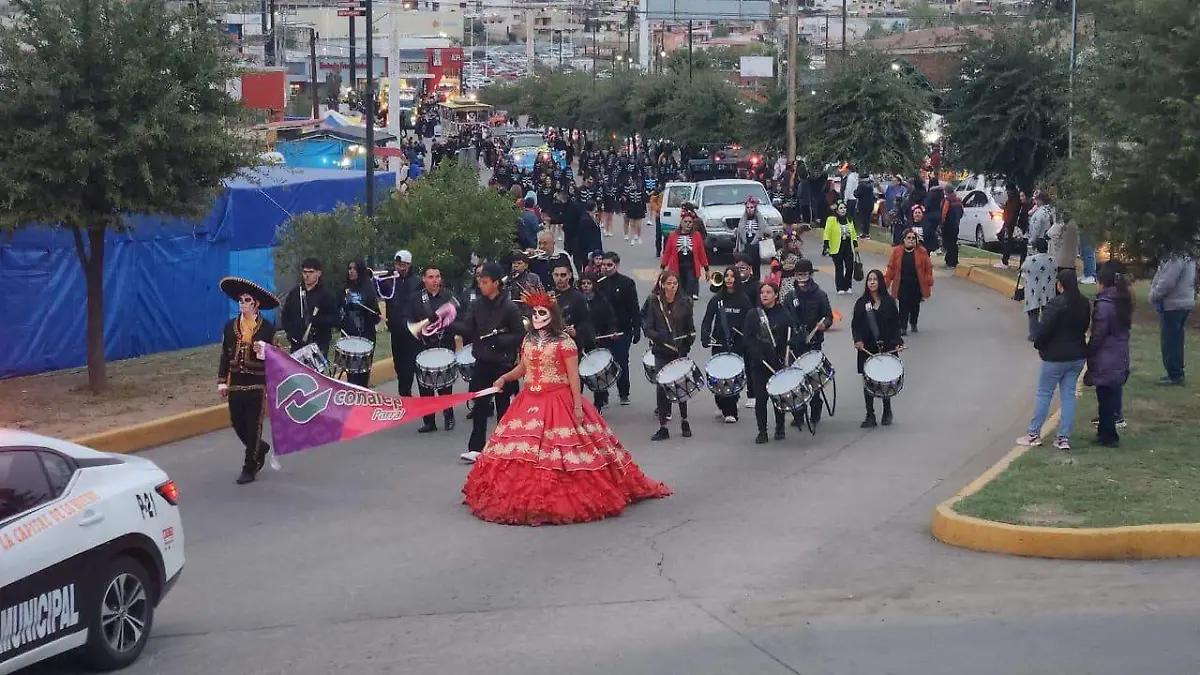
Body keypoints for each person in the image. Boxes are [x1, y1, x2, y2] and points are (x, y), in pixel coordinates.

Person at [461, 291, 671, 525]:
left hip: (558, 400)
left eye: (543, 313)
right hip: (529, 400)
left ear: (552, 315)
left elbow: (573, 376)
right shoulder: (528, 340)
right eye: (534, 313)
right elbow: (523, 367)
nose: (538, 317)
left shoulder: (564, 342)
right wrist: (504, 378)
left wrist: (578, 406)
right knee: (519, 454)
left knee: (565, 453)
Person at [453, 263, 527, 464]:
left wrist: (499, 341)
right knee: (480, 408)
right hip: (482, 363)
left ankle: (506, 447)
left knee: (504, 408)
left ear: (496, 283)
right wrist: (450, 323)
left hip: (503, 366)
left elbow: (519, 334)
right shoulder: (477, 304)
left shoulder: (509, 307)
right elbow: (468, 327)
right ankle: (476, 448)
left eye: (485, 282)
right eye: (479, 281)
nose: (481, 285)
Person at [1018, 270, 1091, 451]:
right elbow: (1084, 326)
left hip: (1055, 357)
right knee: (1068, 395)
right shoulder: (1084, 303)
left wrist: (1040, 345)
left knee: (1045, 394)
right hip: (1077, 356)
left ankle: (1034, 434)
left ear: (1060, 285)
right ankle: (1063, 438)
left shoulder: (1056, 305)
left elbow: (1043, 330)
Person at [217, 277, 280, 485]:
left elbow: (276, 355)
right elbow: (225, 356)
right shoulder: (230, 327)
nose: (242, 304)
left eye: (246, 300)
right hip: (236, 381)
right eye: (240, 300)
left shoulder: (267, 329)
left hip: (257, 382)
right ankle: (259, 447)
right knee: (237, 423)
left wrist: (265, 351)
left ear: (256, 304)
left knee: (253, 425)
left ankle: (250, 466)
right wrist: (222, 380)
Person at [744, 281, 800, 443]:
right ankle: (762, 431)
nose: (765, 295)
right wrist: (756, 354)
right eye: (762, 293)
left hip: (777, 363)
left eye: (768, 292)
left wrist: (790, 347)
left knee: (778, 397)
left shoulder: (784, 315)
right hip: (759, 363)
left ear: (775, 295)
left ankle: (780, 427)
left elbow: (791, 336)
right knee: (761, 399)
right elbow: (747, 338)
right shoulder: (753, 315)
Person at [643, 270, 696, 441]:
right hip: (661, 351)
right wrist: (658, 337)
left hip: (679, 350)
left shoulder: (686, 302)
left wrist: (688, 341)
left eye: (675, 283)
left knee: (681, 386)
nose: (672, 287)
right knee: (662, 387)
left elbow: (690, 327)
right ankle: (663, 426)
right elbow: (647, 326)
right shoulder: (654, 302)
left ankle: (684, 420)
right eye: (669, 283)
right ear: (662, 284)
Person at [1085, 263, 1132, 447]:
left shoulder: (1104, 304)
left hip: (1106, 356)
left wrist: (1090, 350)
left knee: (1104, 398)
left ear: (1102, 283)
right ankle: (1105, 432)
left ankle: (1108, 436)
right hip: (1119, 353)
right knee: (1110, 395)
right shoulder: (1122, 300)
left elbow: (1099, 333)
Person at [407, 265, 458, 433]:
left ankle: (448, 416)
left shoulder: (449, 296)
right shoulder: (416, 298)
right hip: (424, 345)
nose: (434, 280)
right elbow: (410, 320)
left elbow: (458, 317)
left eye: (437, 277)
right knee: (425, 385)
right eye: (430, 277)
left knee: (446, 385)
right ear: (424, 279)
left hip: (444, 344)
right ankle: (429, 421)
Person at [783, 258, 833, 425]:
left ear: (811, 275)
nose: (801, 277)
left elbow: (829, 316)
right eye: (798, 274)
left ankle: (815, 407)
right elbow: (784, 318)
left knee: (813, 379)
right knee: (795, 380)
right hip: (795, 345)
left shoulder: (820, 295)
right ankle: (798, 413)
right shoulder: (790, 296)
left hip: (813, 343)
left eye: (804, 274)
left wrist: (823, 325)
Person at [852, 269, 904, 429]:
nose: (872, 282)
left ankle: (887, 411)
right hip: (867, 348)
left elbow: (896, 324)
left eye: (875, 279)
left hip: (886, 347)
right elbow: (856, 325)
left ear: (880, 282)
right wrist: (858, 340)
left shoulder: (889, 302)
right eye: (869, 280)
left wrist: (897, 341)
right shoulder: (862, 303)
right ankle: (870, 414)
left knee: (884, 381)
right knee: (868, 382)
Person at [701, 266, 752, 423]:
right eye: (727, 276)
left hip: (736, 344)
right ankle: (721, 403)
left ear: (736, 279)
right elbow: (707, 320)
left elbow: (750, 321)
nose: (729, 279)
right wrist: (705, 336)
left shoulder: (744, 300)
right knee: (718, 375)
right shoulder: (717, 299)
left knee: (732, 376)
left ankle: (731, 410)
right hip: (719, 343)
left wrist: (747, 339)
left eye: (732, 276)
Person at [596, 251, 642, 405]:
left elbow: (634, 307)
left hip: (623, 329)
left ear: (617, 265)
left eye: (609, 265)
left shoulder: (627, 283)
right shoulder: (598, 284)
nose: (606, 268)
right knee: (602, 363)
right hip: (603, 331)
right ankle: (603, 396)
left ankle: (623, 393)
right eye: (604, 265)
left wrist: (637, 328)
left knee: (621, 361)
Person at [1147, 251, 1196, 386]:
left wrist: (1153, 295)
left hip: (1173, 304)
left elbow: (1167, 281)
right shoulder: (1187, 255)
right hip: (1184, 302)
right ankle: (1177, 372)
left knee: (1170, 341)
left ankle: (1175, 375)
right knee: (1176, 339)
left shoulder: (1176, 256)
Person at [381, 251, 422, 397]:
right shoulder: (391, 279)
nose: (400, 267)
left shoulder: (417, 282)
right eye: (397, 264)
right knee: (399, 367)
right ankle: (405, 397)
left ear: (409, 264)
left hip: (412, 331)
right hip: (396, 330)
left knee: (411, 367)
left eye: (403, 264)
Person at [280, 258, 338, 356]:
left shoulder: (326, 295)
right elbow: (285, 315)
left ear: (319, 273)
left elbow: (335, 319)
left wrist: (317, 321)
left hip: (318, 344)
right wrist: (291, 334)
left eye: (311, 272)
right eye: (305, 272)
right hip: (297, 344)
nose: (307, 275)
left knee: (313, 371)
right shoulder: (295, 293)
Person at [884, 228, 934, 336]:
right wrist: (886, 281)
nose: (911, 240)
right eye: (909, 238)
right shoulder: (897, 251)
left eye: (913, 238)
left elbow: (928, 268)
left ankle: (913, 322)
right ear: (904, 239)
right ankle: (903, 326)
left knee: (915, 306)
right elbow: (891, 268)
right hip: (902, 284)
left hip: (917, 285)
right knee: (903, 306)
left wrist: (929, 279)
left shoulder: (922, 252)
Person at [339, 260, 380, 388]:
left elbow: (376, 315)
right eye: (349, 268)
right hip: (348, 336)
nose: (351, 271)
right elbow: (337, 309)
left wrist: (371, 314)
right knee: (351, 375)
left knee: (362, 375)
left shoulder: (368, 288)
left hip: (365, 336)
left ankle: (363, 403)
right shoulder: (344, 288)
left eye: (354, 268)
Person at [579, 272, 617, 410]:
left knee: (597, 375)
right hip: (580, 341)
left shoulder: (602, 300)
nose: (586, 286)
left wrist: (612, 330)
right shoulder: (578, 300)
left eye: (589, 283)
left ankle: (599, 403)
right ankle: (578, 402)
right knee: (578, 375)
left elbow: (610, 317)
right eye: (583, 283)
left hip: (597, 341)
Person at [661, 207, 710, 301]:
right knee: (678, 292)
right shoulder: (673, 236)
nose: (688, 224)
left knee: (689, 292)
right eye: (686, 222)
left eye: (690, 222)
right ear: (681, 222)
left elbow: (701, 253)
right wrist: (662, 268)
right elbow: (667, 253)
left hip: (691, 267)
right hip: (677, 267)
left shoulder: (697, 236)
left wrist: (706, 269)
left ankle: (688, 310)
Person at [1019, 237, 1057, 341]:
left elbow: (1023, 268)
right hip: (1048, 291)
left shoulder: (1030, 260)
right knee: (1047, 314)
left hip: (1033, 291)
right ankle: (1046, 334)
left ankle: (1034, 334)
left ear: (1035, 248)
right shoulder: (1052, 260)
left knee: (1033, 312)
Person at [822, 200, 860, 295]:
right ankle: (840, 287)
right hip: (836, 248)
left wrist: (855, 246)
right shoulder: (831, 220)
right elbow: (827, 233)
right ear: (837, 210)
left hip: (847, 247)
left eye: (844, 208)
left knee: (849, 267)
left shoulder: (849, 220)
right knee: (839, 268)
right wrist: (826, 245)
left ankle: (848, 285)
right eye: (841, 208)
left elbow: (854, 234)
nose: (843, 210)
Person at [734, 196, 768, 281]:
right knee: (745, 264)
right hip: (746, 243)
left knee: (756, 265)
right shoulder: (743, 219)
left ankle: (756, 281)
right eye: (748, 207)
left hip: (756, 243)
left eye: (752, 207)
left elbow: (765, 230)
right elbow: (740, 232)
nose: (749, 209)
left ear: (755, 208)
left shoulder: (760, 218)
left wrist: (760, 235)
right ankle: (745, 279)